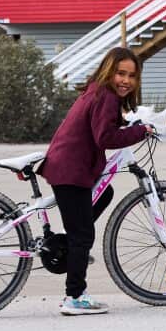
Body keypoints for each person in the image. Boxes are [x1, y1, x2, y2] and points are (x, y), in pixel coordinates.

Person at [40, 47, 152, 315]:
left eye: (131, 75)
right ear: (108, 72)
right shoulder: (107, 97)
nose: (125, 80)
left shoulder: (98, 92)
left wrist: (129, 125)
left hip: (69, 166)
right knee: (83, 235)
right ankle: (74, 296)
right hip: (71, 170)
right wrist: (141, 131)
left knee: (105, 193)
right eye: (120, 73)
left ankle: (69, 248)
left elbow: (102, 127)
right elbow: (105, 138)